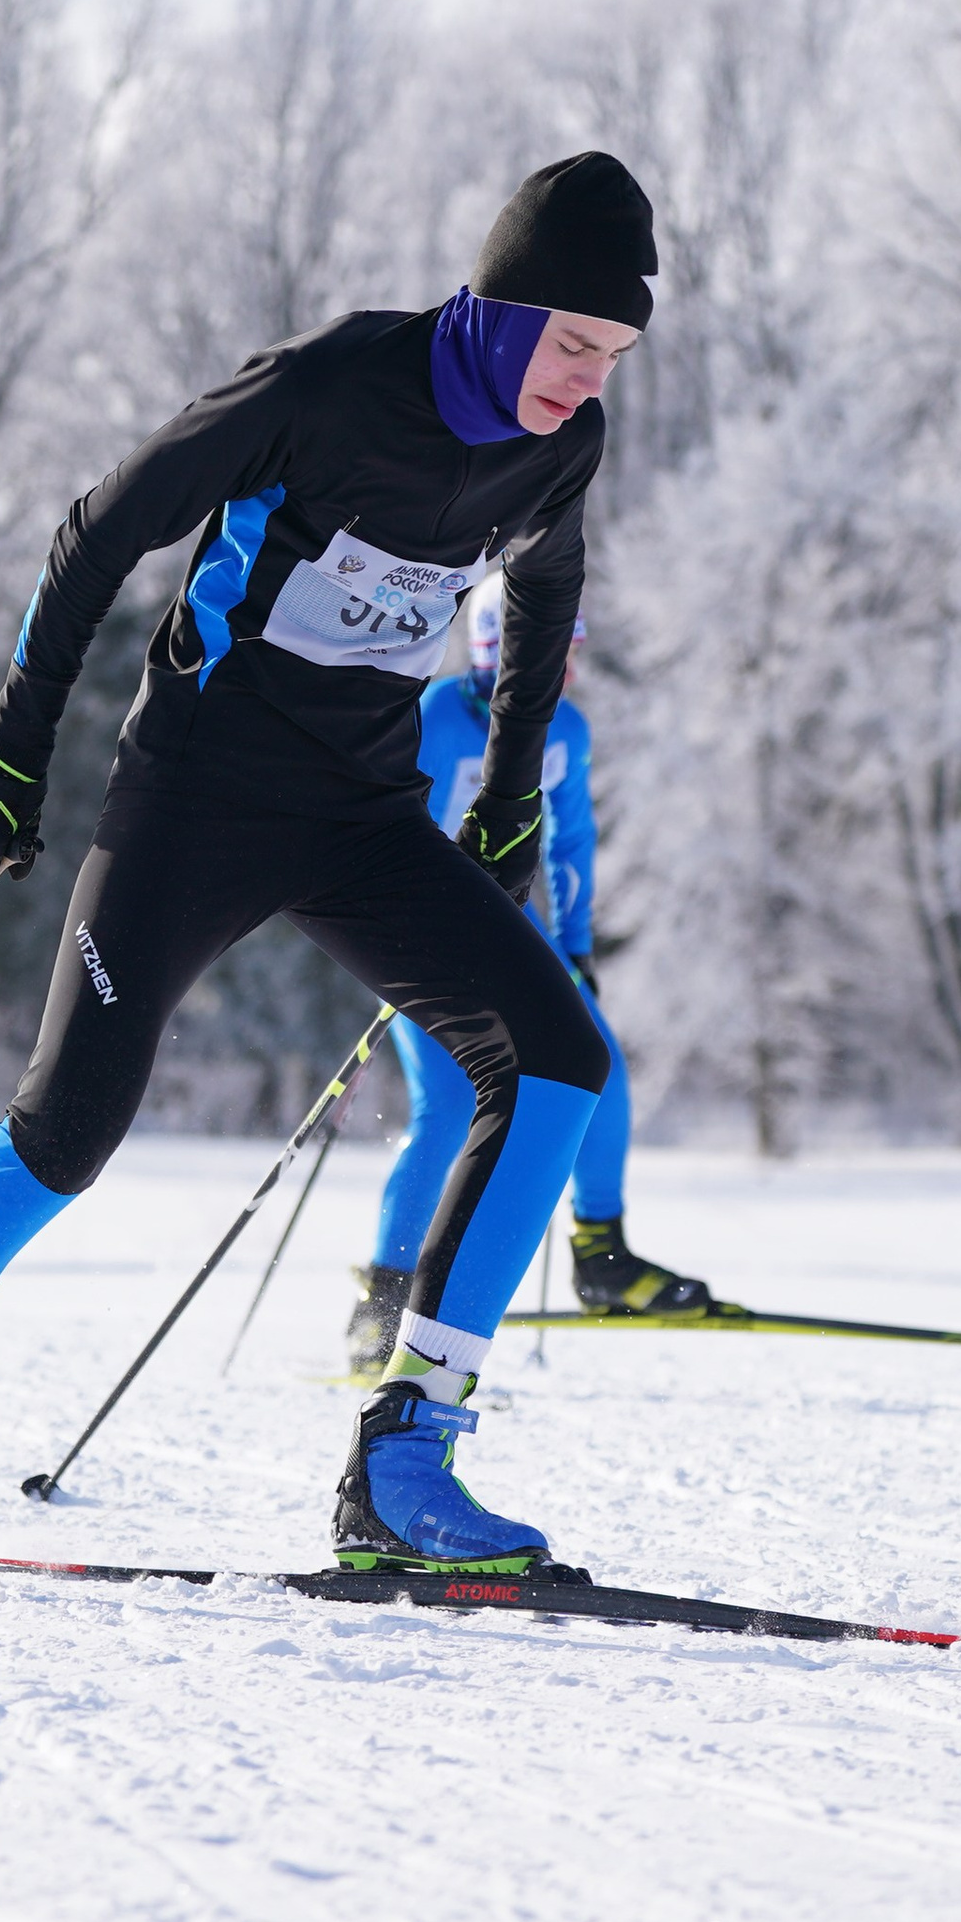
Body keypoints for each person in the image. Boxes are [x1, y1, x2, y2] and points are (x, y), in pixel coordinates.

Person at [0, 151, 656, 1580]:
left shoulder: (559, 445)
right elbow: (98, 529)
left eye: (617, 355)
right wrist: (11, 756)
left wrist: (510, 807)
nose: (587, 380)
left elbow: (547, 592)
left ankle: (405, 1467)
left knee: (559, 1061)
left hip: (364, 819)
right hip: (195, 802)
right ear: (503, 308)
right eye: (573, 342)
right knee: (61, 1135)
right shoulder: (328, 387)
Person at [346, 580, 710, 1373]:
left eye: (571, 648)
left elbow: (571, 843)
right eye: (554, 646)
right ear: (493, 647)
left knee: (597, 1071)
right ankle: (383, 1305)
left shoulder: (564, 732)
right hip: (415, 927)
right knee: (446, 1111)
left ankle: (602, 1253)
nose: (567, 664)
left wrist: (575, 945)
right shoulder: (433, 716)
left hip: (515, 927)